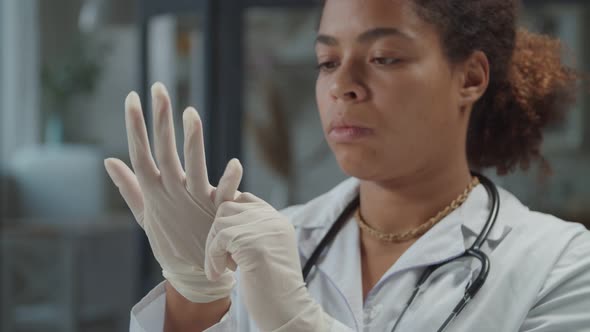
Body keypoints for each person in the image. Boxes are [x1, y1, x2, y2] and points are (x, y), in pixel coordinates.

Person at [104, 0, 590, 331]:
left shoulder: (561, 266)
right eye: (328, 61)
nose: (344, 85)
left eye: (384, 57)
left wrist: (299, 324)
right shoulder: (268, 244)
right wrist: (194, 299)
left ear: (470, 77)